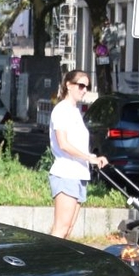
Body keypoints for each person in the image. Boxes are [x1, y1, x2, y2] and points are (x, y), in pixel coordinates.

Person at [48, 70, 102, 240]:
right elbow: (63, 144)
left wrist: (93, 158)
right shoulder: (61, 110)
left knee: (68, 229)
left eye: (87, 86)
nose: (84, 90)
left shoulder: (74, 111)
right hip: (66, 174)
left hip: (78, 174)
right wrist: (90, 158)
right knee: (60, 230)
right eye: (81, 85)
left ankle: (57, 264)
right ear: (68, 85)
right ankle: (45, 264)